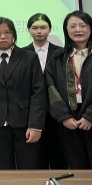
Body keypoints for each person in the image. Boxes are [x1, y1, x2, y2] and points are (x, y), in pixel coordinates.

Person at [45, 10, 92, 169]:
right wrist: (64, 116)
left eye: (82, 25)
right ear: (66, 30)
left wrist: (91, 116)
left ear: (91, 28)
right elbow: (51, 89)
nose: (78, 30)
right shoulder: (58, 58)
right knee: (77, 169)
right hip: (69, 123)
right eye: (72, 26)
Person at [0, 17, 47, 169]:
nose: (2, 36)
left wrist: (35, 126)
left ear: (14, 34)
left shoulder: (29, 57)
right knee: (2, 168)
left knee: (29, 166)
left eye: (7, 32)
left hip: (25, 123)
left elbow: (38, 92)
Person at [22, 13, 67, 169]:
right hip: (32, 113)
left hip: (57, 111)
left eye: (43, 27)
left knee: (58, 155)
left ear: (50, 29)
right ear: (29, 30)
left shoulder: (62, 52)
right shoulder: (21, 53)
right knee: (36, 157)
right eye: (35, 28)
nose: (39, 31)